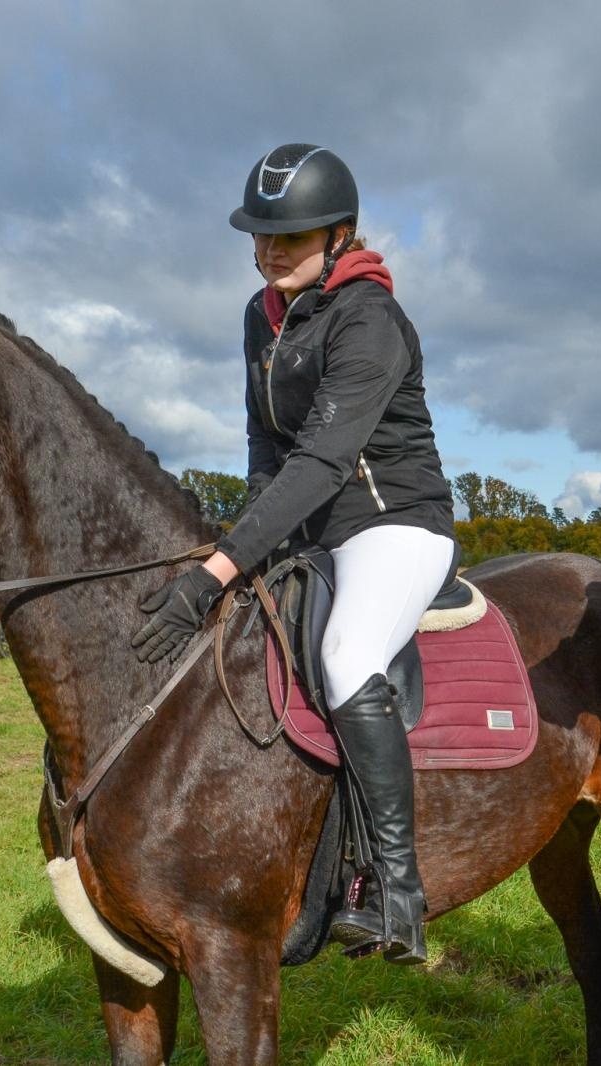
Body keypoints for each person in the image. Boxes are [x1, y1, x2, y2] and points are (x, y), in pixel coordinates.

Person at [131, 144, 457, 965]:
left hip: (394, 524)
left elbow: (323, 460)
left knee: (348, 657)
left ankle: (396, 891)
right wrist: (248, 540)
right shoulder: (262, 315)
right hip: (309, 530)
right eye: (261, 235)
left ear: (341, 234)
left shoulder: (370, 319)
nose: (270, 250)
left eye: (293, 235)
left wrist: (219, 569)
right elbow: (265, 446)